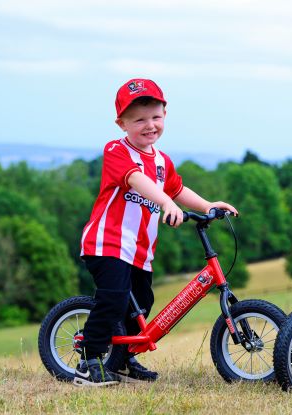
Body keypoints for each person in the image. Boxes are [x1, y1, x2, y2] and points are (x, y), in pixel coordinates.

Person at [74, 78, 238, 387]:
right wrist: (163, 201)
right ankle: (89, 361)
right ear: (121, 123)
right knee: (113, 300)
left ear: (165, 115)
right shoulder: (116, 151)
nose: (149, 125)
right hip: (107, 244)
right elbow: (137, 180)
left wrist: (206, 205)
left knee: (140, 305)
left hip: (140, 251)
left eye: (156, 117)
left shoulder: (162, 161)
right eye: (139, 120)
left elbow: (177, 189)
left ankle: (121, 361)